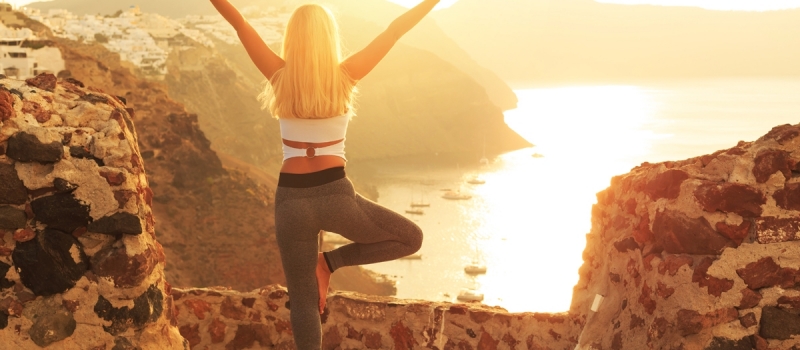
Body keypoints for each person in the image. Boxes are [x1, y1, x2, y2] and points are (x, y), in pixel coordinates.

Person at [211, 0, 438, 347]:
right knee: (410, 237)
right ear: (329, 38)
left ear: (293, 39)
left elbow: (240, 24)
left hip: (290, 200)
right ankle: (329, 262)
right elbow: (394, 30)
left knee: (303, 302)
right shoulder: (346, 76)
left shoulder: (279, 75)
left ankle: (325, 265)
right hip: (335, 195)